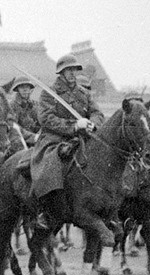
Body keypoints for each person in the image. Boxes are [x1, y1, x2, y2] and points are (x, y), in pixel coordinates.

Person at [28, 54, 105, 229]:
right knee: (51, 165)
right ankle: (45, 211)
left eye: (74, 70)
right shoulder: (49, 93)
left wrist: (93, 123)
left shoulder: (84, 93)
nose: (72, 73)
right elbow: (46, 119)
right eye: (68, 70)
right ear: (61, 72)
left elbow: (98, 113)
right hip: (54, 139)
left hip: (82, 138)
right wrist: (74, 125)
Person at [10, 77, 40, 148]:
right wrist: (34, 137)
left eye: (27, 87)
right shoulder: (13, 106)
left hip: (36, 140)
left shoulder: (34, 105)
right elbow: (15, 128)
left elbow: (41, 121)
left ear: (30, 89)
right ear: (17, 89)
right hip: (20, 142)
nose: (25, 89)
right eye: (21, 87)